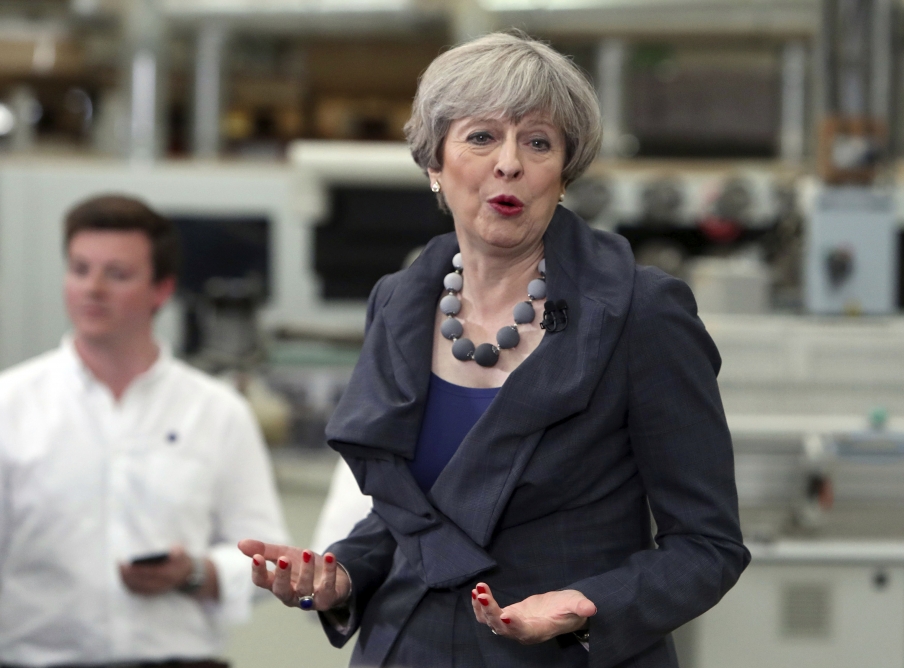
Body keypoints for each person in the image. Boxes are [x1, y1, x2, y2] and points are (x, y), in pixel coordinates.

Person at [240, 32, 748, 667]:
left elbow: (707, 546)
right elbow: (420, 516)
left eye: (537, 142)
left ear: (562, 173)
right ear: (434, 163)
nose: (509, 163)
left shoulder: (639, 313)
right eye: (481, 137)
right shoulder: (399, 304)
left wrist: (586, 604)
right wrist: (342, 572)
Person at [0, 195, 289, 668]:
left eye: (116, 274)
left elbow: (269, 556)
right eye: (79, 269)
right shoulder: (9, 405)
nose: (92, 288)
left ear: (161, 289)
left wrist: (196, 573)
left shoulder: (217, 412)